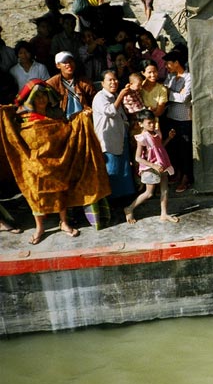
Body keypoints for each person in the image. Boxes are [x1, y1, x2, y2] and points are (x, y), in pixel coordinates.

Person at [13, 80, 81, 244]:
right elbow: (21, 138)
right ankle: (40, 227)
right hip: (35, 161)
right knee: (35, 194)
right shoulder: (24, 117)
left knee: (60, 190)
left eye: (44, 95)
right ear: (32, 99)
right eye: (37, 96)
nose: (41, 99)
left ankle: (63, 222)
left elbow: (65, 132)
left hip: (57, 158)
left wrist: (80, 120)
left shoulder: (56, 114)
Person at [125, 110, 179, 224]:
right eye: (149, 123)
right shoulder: (142, 138)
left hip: (162, 164)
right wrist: (153, 166)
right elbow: (138, 158)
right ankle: (129, 208)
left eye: (153, 122)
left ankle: (164, 214)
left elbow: (159, 147)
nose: (152, 125)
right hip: (150, 168)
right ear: (141, 124)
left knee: (165, 189)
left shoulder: (156, 133)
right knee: (149, 193)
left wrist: (169, 138)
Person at [92, 70, 136, 200]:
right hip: (108, 140)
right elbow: (110, 111)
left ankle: (124, 199)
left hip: (120, 137)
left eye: (115, 79)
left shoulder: (114, 95)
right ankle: (112, 201)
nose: (113, 82)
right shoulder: (100, 97)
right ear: (102, 83)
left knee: (124, 169)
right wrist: (121, 96)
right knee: (112, 170)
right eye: (110, 80)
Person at [162, 50, 192, 192]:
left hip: (184, 119)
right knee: (173, 148)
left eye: (168, 63)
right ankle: (178, 174)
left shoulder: (189, 78)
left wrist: (169, 94)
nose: (167, 66)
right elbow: (165, 94)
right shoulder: (170, 77)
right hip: (170, 117)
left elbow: (184, 98)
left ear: (176, 63)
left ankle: (186, 178)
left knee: (185, 149)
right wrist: (173, 94)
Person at [46, 51, 95, 118]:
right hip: (62, 120)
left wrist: (89, 110)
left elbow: (94, 100)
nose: (68, 64)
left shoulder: (85, 82)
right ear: (58, 65)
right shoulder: (51, 83)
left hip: (82, 117)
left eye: (70, 61)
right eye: (65, 62)